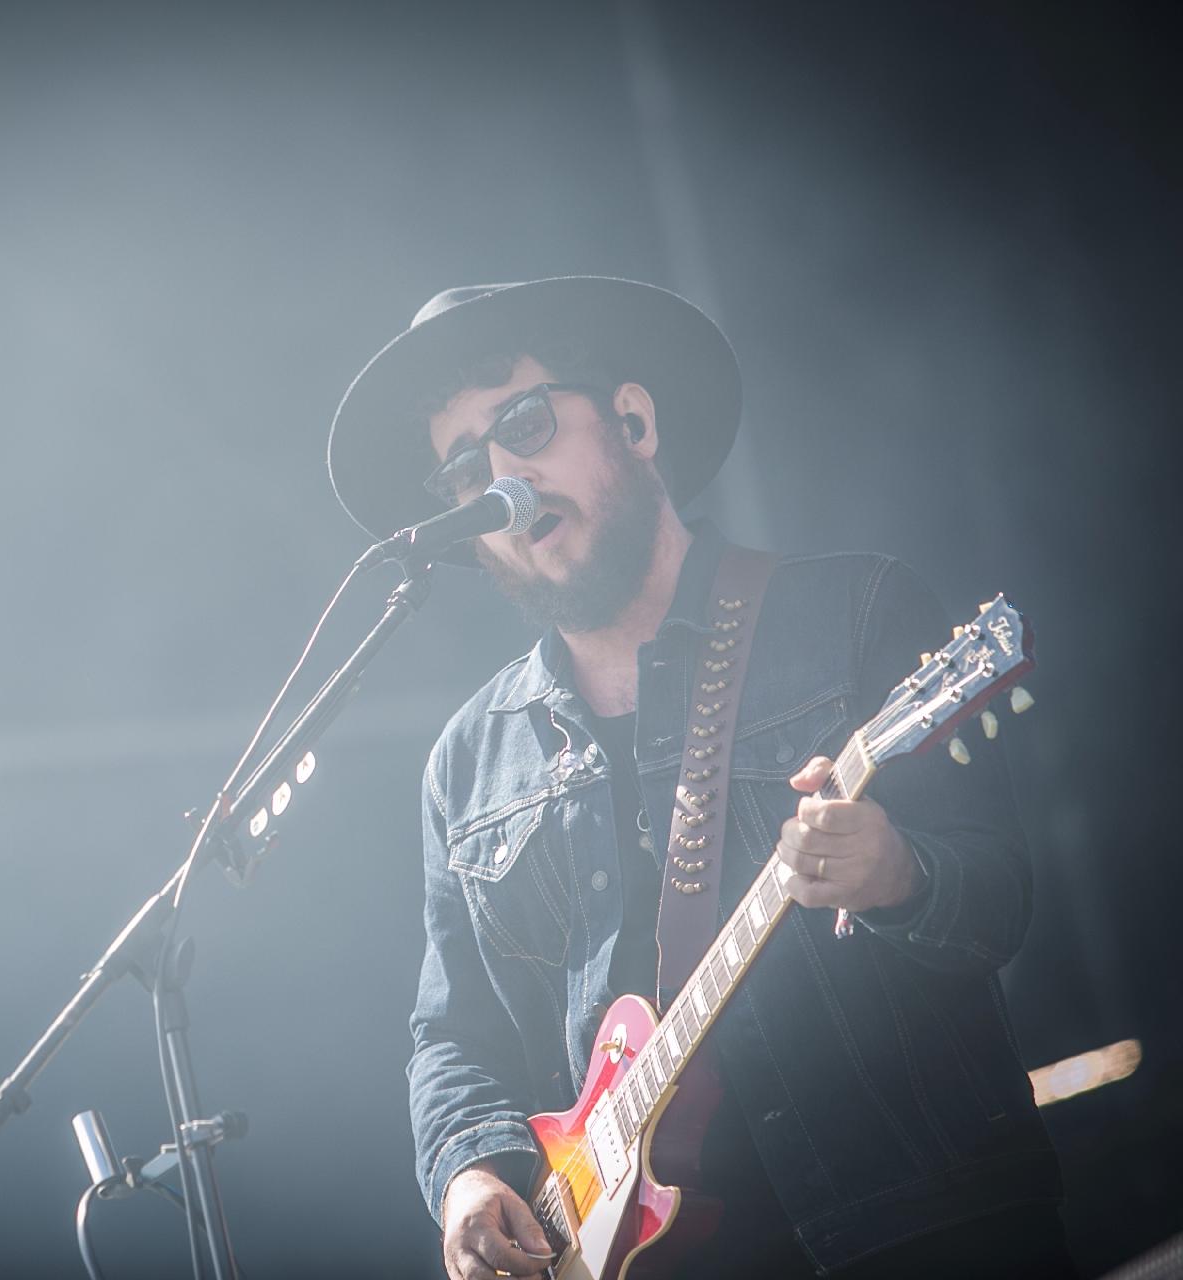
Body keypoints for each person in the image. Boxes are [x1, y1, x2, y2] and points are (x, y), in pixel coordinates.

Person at [326, 279, 1072, 1279]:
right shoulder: (469, 763)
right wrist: (467, 1170)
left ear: (633, 419)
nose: (500, 477)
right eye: (464, 468)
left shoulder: (852, 614)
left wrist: (899, 874)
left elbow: (1002, 898)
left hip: (915, 1226)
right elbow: (450, 1033)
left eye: (527, 424)